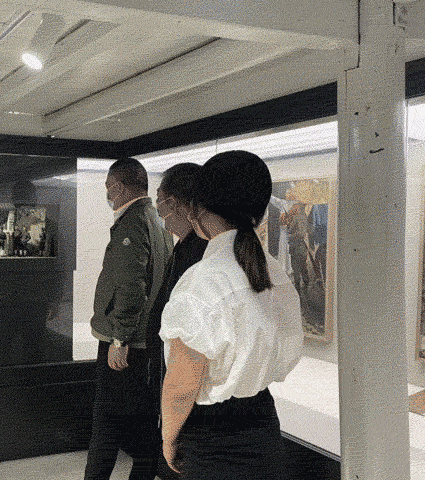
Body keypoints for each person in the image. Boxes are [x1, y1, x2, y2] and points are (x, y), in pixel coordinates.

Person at [159, 150, 303, 480]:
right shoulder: (274, 271)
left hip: (211, 439)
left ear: (197, 209)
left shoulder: (202, 281)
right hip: (264, 427)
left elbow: (182, 383)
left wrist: (168, 438)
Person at [84, 158, 173, 480]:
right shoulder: (157, 219)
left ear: (119, 187)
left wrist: (119, 338)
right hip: (147, 340)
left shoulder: (132, 223)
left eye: (109, 188)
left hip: (125, 342)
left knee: (106, 424)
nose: (108, 195)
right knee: (144, 423)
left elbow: (131, 286)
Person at [145, 164, 208, 449]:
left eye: (159, 199)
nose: (157, 208)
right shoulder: (183, 246)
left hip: (190, 392)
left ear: (175, 203)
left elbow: (190, 345)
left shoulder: (200, 252)